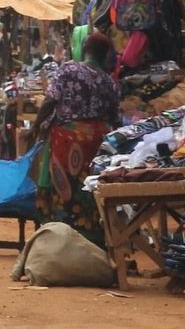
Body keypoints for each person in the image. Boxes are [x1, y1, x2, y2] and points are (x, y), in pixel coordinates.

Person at [35, 32, 120, 237]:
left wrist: (35, 126)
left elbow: (50, 101)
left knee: (64, 191)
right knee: (88, 189)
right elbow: (114, 118)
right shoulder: (109, 82)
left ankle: (60, 236)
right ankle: (89, 236)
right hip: (97, 143)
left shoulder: (69, 69)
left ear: (84, 48)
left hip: (68, 139)